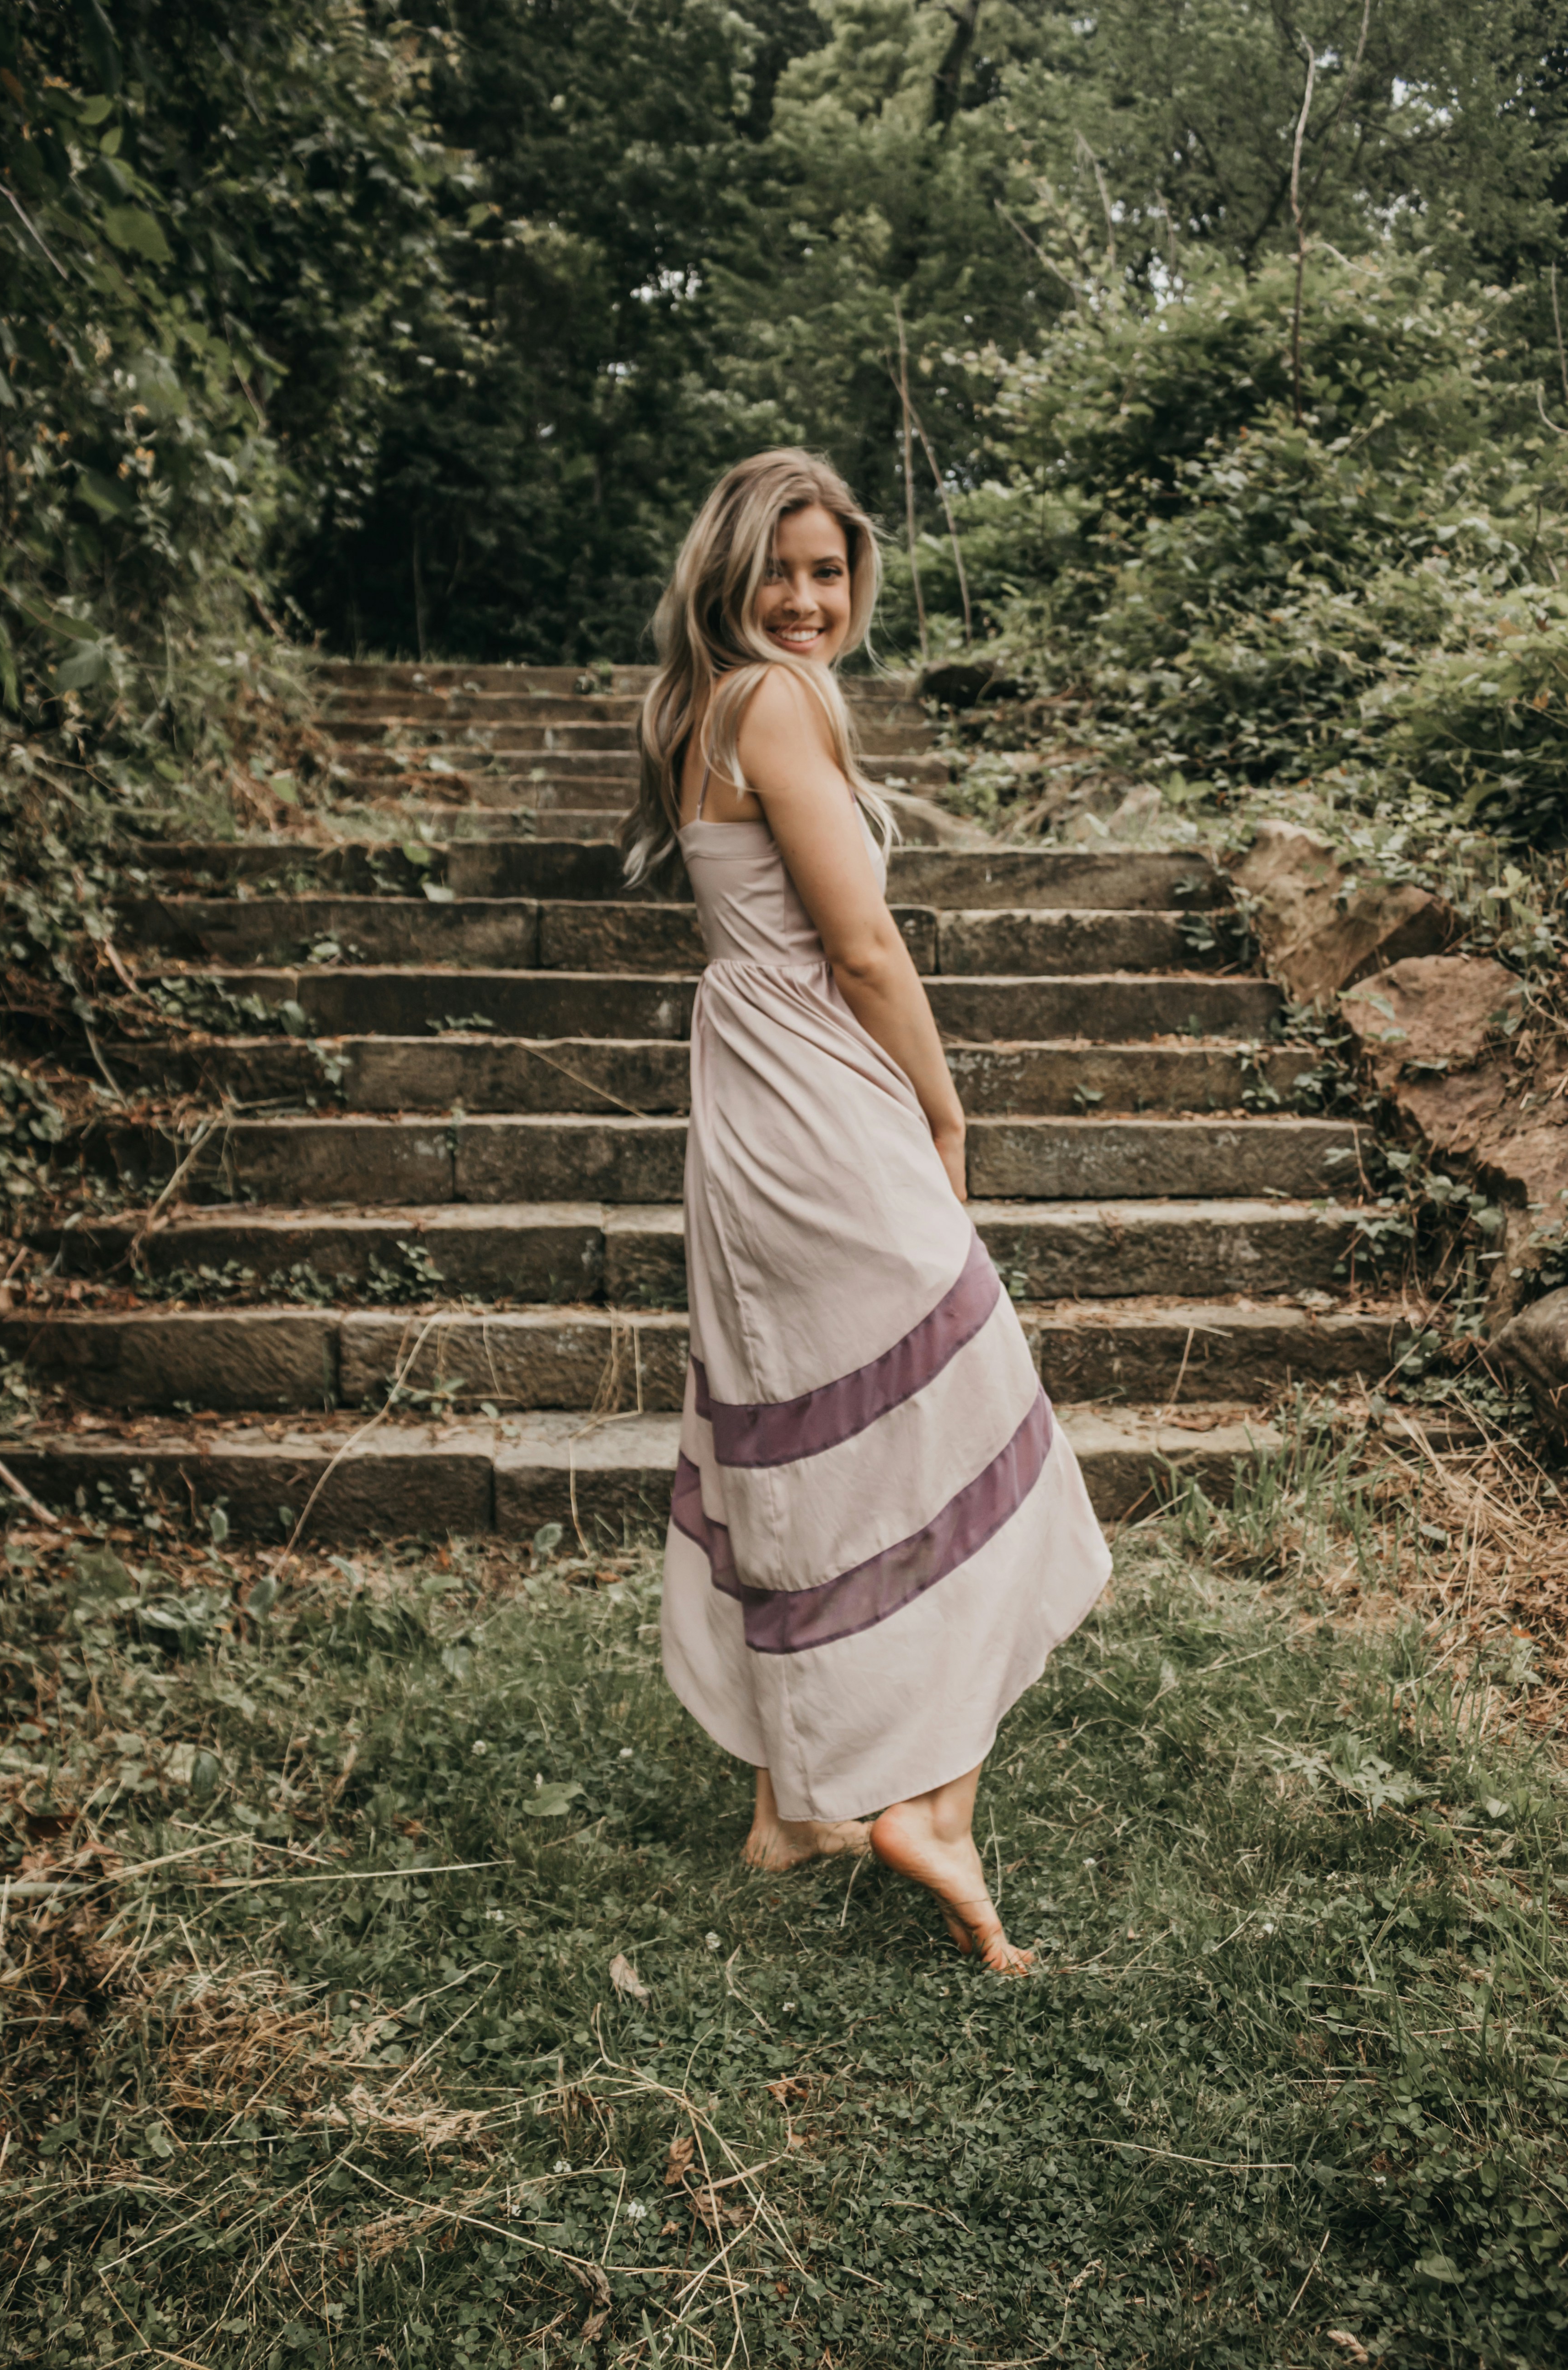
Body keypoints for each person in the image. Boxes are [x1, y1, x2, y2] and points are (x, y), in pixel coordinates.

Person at [622, 449, 1111, 1972]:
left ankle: (792, 1804)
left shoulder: (707, 704)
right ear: (730, 572)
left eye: (828, 571)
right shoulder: (772, 698)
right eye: (780, 569)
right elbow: (866, 946)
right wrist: (950, 1111)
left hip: (757, 1110)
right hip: (822, 1110)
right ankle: (931, 1801)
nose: (806, 598)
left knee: (795, 1446)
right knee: (985, 1416)